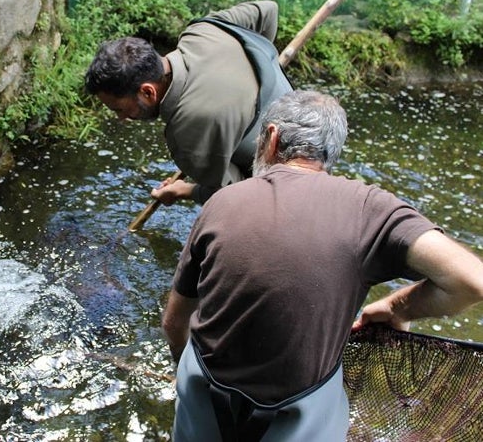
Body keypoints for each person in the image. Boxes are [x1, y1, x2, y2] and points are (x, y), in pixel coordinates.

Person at [161, 89, 483, 441]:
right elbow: (471, 281)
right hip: (298, 414)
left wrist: (181, 370)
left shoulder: (222, 201)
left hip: (206, 396)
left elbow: (175, 321)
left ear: (271, 138)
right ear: (331, 154)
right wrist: (398, 306)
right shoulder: (371, 210)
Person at [84, 0, 293, 206]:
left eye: (118, 109)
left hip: (291, 175)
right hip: (308, 119)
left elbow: (237, 195)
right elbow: (268, 10)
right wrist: (264, 64)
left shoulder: (186, 136)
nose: (120, 118)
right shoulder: (202, 29)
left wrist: (186, 190)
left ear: (148, 92)